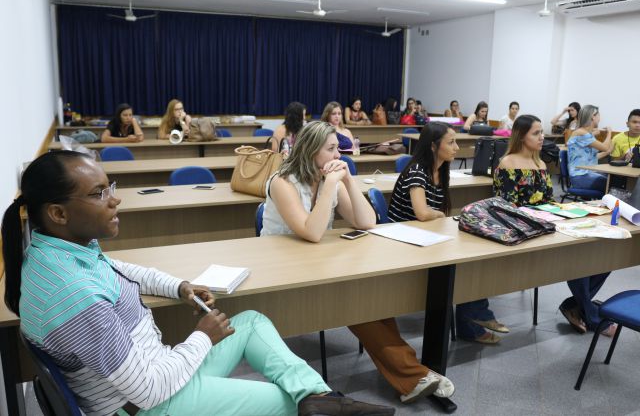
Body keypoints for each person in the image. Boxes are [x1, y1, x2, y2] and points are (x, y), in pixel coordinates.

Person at [2, 151, 395, 416]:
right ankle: (315, 402)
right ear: (58, 213)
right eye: (98, 193)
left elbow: (121, 270)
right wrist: (203, 337)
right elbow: (148, 391)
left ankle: (319, 398)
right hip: (151, 404)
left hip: (157, 373)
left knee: (252, 322)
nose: (114, 200)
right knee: (287, 401)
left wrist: (179, 286)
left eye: (111, 188)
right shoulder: (75, 296)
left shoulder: (57, 251)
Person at [261, 121, 455, 404]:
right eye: (331, 149)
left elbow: (367, 221)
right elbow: (312, 232)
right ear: (311, 151)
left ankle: (412, 374)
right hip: (281, 267)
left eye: (338, 148)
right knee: (354, 300)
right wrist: (331, 184)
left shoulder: (328, 177)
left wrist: (348, 181)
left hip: (315, 262)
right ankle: (414, 375)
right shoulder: (282, 181)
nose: (338, 155)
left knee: (370, 296)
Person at [494, 115, 616, 337]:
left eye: (542, 132)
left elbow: (548, 200)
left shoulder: (540, 163)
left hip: (548, 223)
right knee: (578, 258)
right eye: (536, 133)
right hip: (524, 229)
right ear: (521, 137)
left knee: (603, 254)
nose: (542, 137)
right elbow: (507, 208)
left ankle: (575, 305)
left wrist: (568, 212)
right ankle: (591, 316)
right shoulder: (508, 163)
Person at [387, 122, 506, 345]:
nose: (456, 148)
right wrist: (442, 216)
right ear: (433, 146)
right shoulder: (417, 171)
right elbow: (423, 213)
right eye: (451, 143)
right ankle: (475, 320)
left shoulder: (441, 170)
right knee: (463, 263)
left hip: (424, 236)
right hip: (403, 242)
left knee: (471, 257)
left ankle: (474, 320)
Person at [567, 105, 612, 193]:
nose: (599, 119)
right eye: (598, 115)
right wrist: (609, 133)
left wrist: (608, 152)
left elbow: (591, 157)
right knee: (611, 184)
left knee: (616, 179)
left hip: (588, 173)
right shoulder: (581, 133)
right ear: (593, 117)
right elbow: (605, 147)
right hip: (579, 176)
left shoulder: (586, 134)